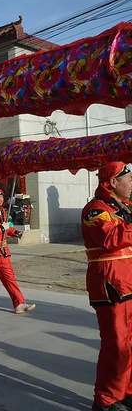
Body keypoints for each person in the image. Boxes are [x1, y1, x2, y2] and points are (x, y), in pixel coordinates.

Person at [82, 162, 132, 411]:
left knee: (130, 343)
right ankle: (105, 399)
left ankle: (125, 390)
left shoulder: (123, 207)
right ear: (113, 181)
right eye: (129, 178)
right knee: (116, 344)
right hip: (110, 283)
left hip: (128, 282)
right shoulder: (94, 210)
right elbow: (111, 238)